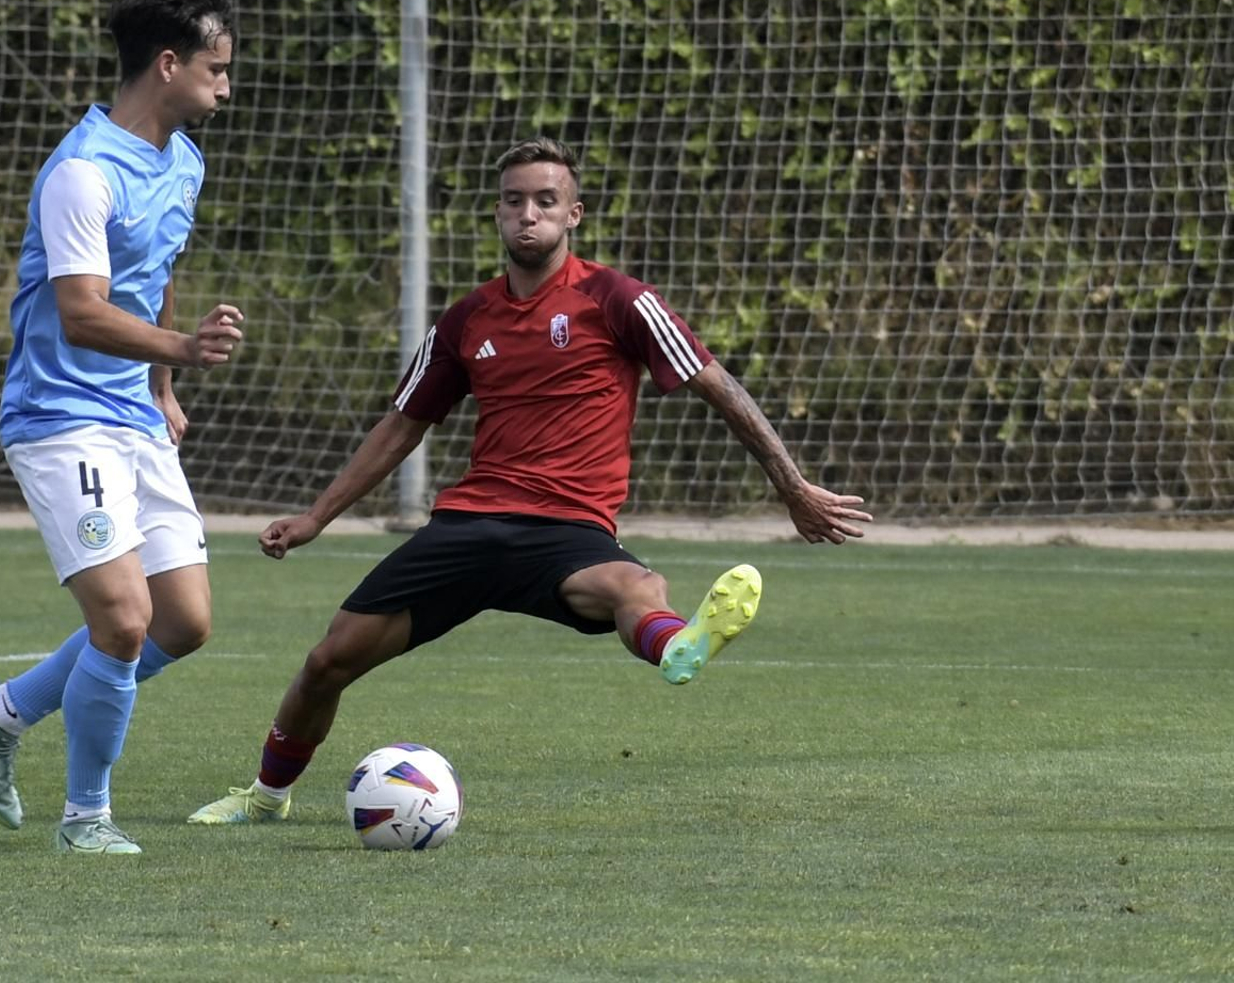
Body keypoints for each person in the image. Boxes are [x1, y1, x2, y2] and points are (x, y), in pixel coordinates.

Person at [187, 136, 871, 826]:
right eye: (514, 201)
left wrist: (793, 486)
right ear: (497, 213)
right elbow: (402, 424)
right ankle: (265, 797)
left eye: (546, 200)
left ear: (575, 213)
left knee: (634, 587)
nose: (528, 214)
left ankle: (677, 645)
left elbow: (716, 385)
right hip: (469, 526)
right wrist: (316, 517)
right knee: (329, 661)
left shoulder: (619, 301)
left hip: (568, 530)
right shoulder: (465, 320)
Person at [0, 0, 242, 855]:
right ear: (167, 64)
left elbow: (155, 271)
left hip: (132, 416)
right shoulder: (81, 174)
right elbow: (81, 309)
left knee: (183, 622)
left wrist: (162, 386)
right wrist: (182, 349)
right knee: (122, 619)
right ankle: (87, 818)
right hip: (59, 415)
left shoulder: (181, 158)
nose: (226, 85)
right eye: (216, 68)